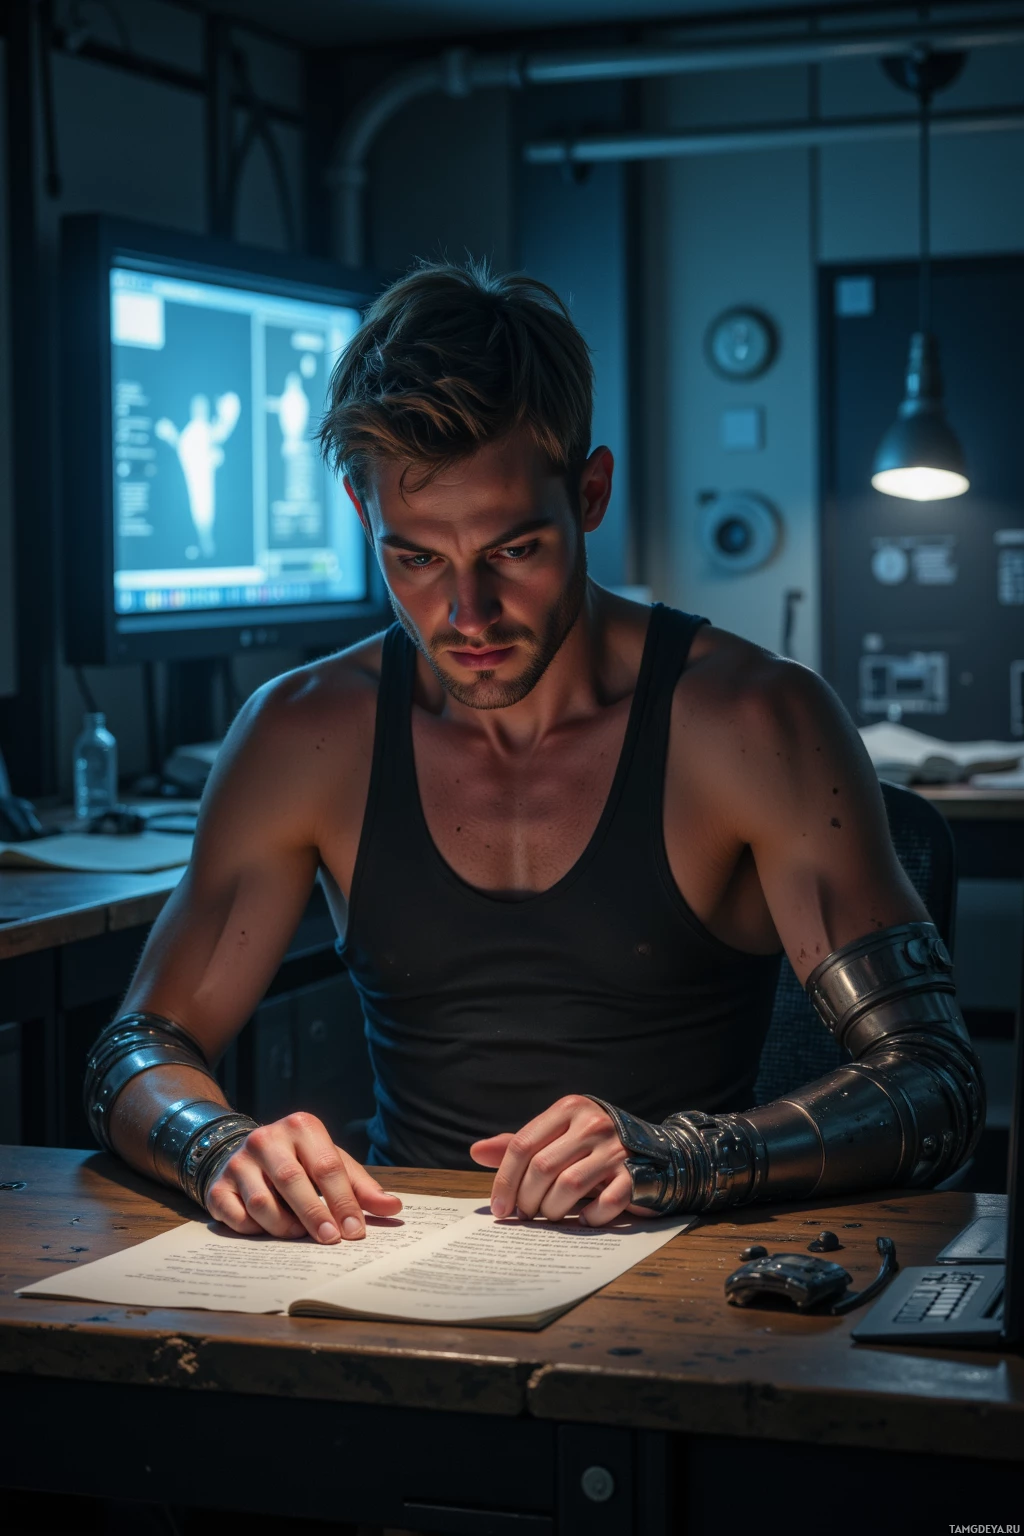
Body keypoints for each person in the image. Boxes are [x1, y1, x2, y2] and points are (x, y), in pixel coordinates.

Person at [85, 261, 983, 1245]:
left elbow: (933, 1082)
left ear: (588, 494)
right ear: (360, 514)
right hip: (386, 1272)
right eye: (415, 558)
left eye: (513, 551)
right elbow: (136, 1050)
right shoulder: (301, 734)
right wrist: (216, 1144)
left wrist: (685, 1158)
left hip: (682, 1283)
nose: (466, 617)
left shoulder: (754, 724)